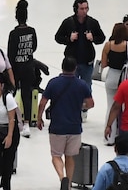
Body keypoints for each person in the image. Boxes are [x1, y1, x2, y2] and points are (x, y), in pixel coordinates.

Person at [36, 57, 94, 190]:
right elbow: (90, 104)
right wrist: (79, 106)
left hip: (57, 126)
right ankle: (68, 185)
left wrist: (39, 118)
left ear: (62, 67)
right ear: (75, 68)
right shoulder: (82, 84)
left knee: (56, 156)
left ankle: (62, 177)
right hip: (75, 127)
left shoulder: (53, 83)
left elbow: (43, 103)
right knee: (70, 156)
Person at [99, 24, 128, 144]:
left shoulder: (108, 45)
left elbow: (104, 64)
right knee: (126, 108)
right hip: (125, 79)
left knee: (111, 107)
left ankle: (109, 138)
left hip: (111, 77)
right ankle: (124, 136)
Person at [54, 0, 105, 88]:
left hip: (87, 62)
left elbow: (101, 38)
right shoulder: (68, 22)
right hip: (72, 62)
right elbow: (58, 37)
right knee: (70, 86)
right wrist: (68, 39)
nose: (85, 11)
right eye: (82, 9)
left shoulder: (92, 22)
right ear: (75, 9)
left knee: (86, 86)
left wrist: (93, 38)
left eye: (86, 8)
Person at [7, 0, 38, 135]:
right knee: (27, 94)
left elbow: (10, 53)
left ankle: (10, 119)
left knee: (11, 94)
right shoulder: (32, 31)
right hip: (28, 67)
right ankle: (26, 123)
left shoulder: (13, 34)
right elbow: (34, 47)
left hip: (16, 68)